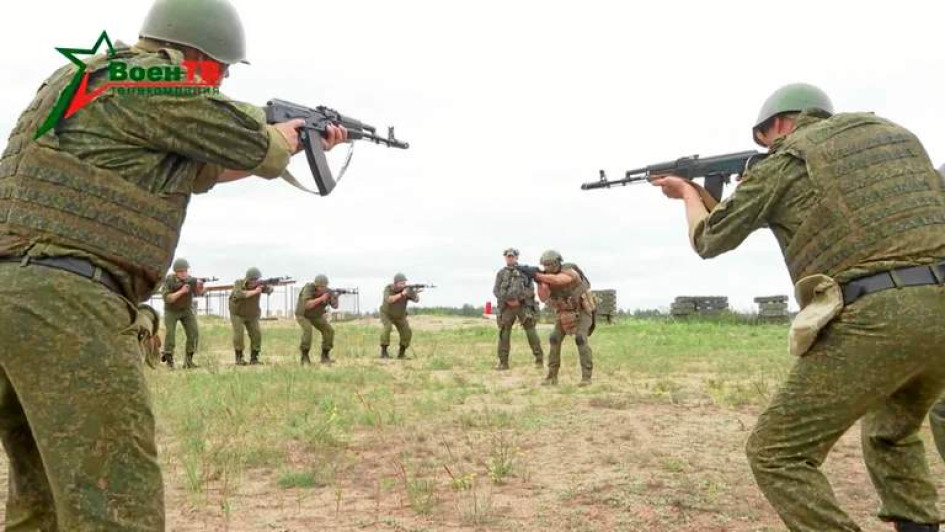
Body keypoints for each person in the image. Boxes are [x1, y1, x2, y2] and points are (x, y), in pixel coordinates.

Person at [0, 0, 347, 526]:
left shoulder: (85, 79)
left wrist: (290, 144)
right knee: (117, 503)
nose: (222, 81)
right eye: (221, 71)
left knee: (42, 500)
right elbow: (253, 140)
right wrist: (288, 138)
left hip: (16, 297)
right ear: (196, 55)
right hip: (66, 303)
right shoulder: (154, 78)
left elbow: (198, 167)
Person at [653, 83, 945, 532]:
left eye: (765, 137)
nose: (767, 146)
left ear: (781, 123)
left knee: (776, 452)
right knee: (892, 432)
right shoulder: (897, 137)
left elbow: (710, 238)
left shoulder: (787, 159)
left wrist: (688, 196)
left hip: (880, 315)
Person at [534, 250, 594, 386]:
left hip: (582, 310)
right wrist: (539, 282)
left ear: (557, 262)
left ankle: (586, 377)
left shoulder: (570, 270)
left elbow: (560, 280)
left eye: (549, 264)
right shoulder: (546, 277)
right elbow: (543, 298)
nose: (547, 267)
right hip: (564, 312)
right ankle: (552, 376)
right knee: (554, 338)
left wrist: (538, 275)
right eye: (545, 265)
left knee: (580, 338)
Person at [492, 248, 544, 370]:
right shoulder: (501, 273)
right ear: (505, 258)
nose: (510, 258)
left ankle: (539, 359)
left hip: (523, 306)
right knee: (504, 334)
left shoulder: (524, 272)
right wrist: (507, 300)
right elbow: (496, 291)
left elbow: (530, 290)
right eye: (508, 256)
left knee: (531, 331)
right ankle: (503, 362)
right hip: (507, 307)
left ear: (516, 257)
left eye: (512, 256)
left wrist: (519, 300)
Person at [160, 257, 204, 368]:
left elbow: (199, 294)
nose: (184, 273)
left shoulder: (191, 280)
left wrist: (201, 288)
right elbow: (168, 298)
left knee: (194, 334)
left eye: (185, 271)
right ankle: (169, 361)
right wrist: (182, 291)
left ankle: (189, 361)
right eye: (181, 271)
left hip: (186, 310)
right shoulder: (169, 280)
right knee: (170, 335)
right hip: (171, 311)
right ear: (176, 272)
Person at [229, 267, 274, 365]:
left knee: (256, 335)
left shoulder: (260, 286)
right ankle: (239, 358)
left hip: (252, 314)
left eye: (257, 279)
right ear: (248, 278)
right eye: (253, 279)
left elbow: (269, 290)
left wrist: (270, 287)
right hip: (237, 314)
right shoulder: (239, 283)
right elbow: (239, 294)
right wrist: (255, 291)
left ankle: (254, 358)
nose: (255, 282)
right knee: (239, 335)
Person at [296, 274, 339, 365]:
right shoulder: (309, 288)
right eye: (321, 287)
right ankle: (304, 356)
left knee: (329, 331)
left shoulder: (328, 292)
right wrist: (321, 298)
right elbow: (307, 305)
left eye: (324, 287)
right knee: (308, 331)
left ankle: (325, 355)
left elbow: (335, 306)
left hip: (316, 316)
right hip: (303, 315)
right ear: (316, 285)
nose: (322, 289)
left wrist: (335, 298)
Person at [380, 273, 420, 359]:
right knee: (388, 327)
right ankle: (384, 352)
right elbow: (389, 300)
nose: (404, 285)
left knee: (407, 331)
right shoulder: (388, 288)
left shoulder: (406, 290)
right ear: (395, 283)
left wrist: (414, 293)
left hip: (400, 316)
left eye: (404, 283)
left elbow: (416, 300)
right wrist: (402, 294)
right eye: (401, 283)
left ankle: (401, 353)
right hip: (387, 314)